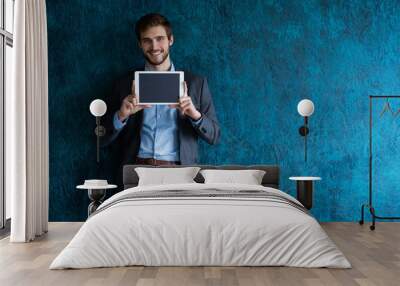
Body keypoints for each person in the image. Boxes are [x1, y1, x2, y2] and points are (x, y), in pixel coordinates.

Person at [102, 13, 220, 174]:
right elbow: (100, 137)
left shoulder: (196, 83)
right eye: (147, 40)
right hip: (136, 170)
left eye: (160, 38)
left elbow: (214, 136)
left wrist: (195, 115)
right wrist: (121, 115)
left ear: (170, 40)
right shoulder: (123, 84)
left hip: (179, 172)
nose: (154, 46)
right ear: (140, 44)